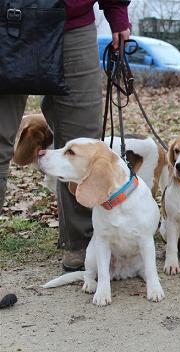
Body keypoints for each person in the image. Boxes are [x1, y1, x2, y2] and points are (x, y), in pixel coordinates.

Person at [0, 1, 130, 271]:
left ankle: (83, 242)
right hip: (6, 18)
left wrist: (117, 12)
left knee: (83, 140)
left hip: (72, 22)